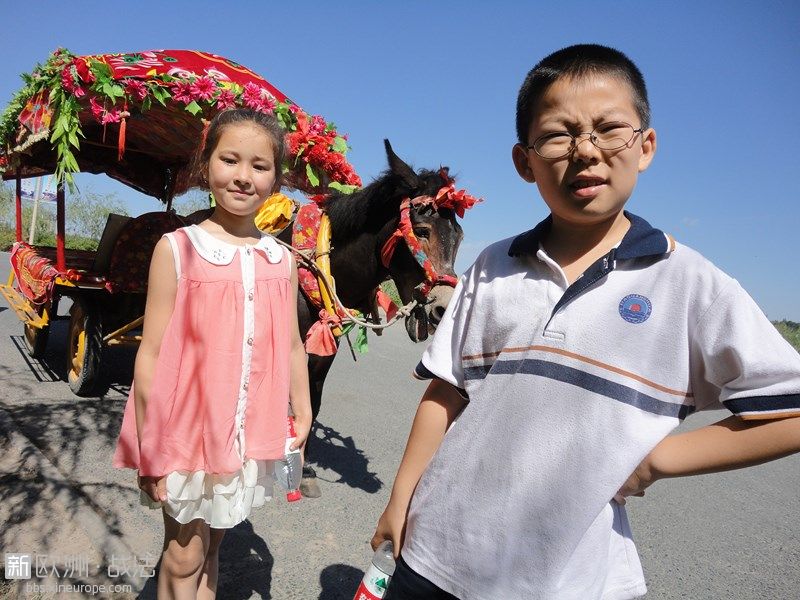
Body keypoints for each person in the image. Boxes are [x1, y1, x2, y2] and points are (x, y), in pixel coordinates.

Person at [371, 44, 800, 600]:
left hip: (569, 580)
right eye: (558, 134)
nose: (586, 151)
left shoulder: (691, 284)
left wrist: (657, 462)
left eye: (609, 129)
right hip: (433, 551)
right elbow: (445, 390)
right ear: (524, 162)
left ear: (645, 146)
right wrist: (401, 496)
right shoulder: (494, 265)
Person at [113, 108, 312, 599]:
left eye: (260, 166)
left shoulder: (280, 259)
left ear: (276, 178)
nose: (244, 176)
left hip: (243, 432)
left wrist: (303, 410)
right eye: (230, 160)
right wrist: (148, 443)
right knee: (183, 558)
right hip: (182, 432)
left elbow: (289, 343)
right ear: (207, 165)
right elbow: (152, 352)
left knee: (214, 549)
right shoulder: (178, 248)